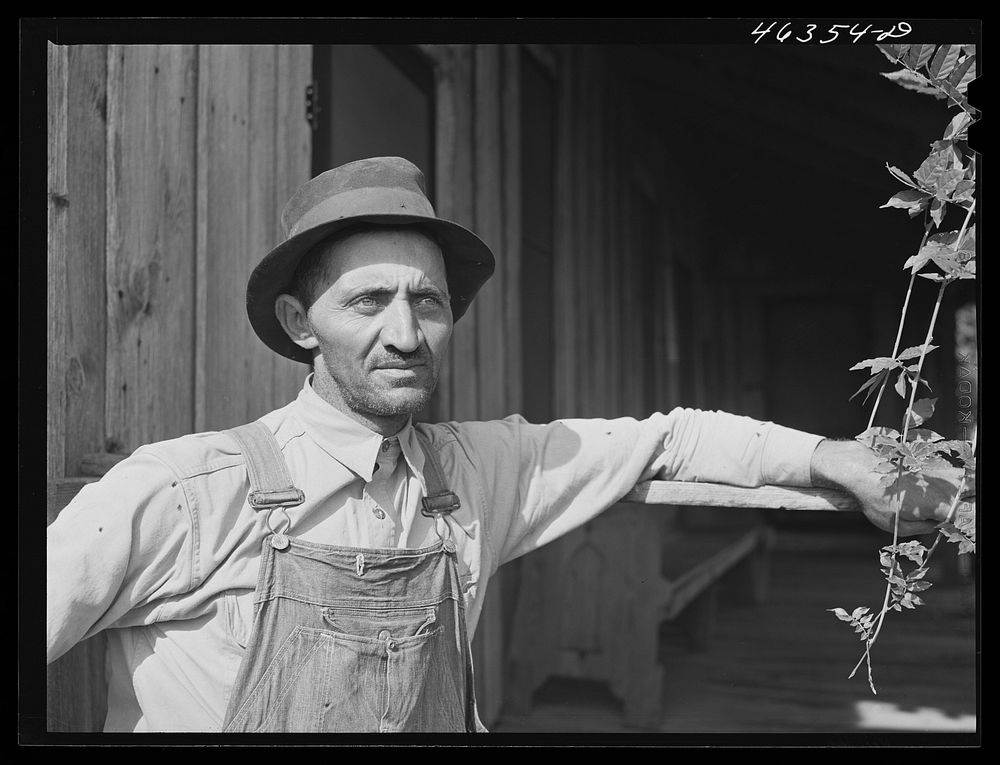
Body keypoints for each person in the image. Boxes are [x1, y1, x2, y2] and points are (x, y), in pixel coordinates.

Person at [46, 156, 966, 733]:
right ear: (299, 322)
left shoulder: (478, 469)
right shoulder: (187, 490)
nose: (406, 332)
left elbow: (671, 440)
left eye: (429, 301)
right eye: (367, 301)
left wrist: (836, 457)